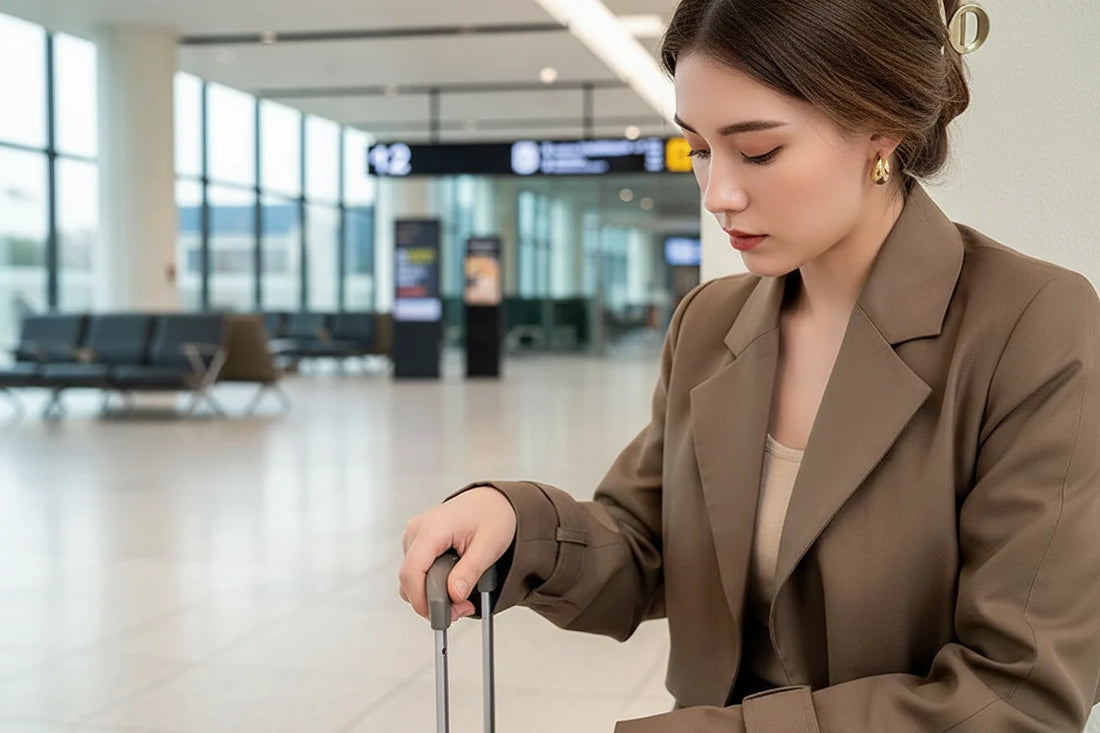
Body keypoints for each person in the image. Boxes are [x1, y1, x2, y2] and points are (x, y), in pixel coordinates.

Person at [399, 0, 1100, 729]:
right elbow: (643, 543)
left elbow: (1019, 692)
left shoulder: (1031, 324)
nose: (718, 195)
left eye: (758, 150)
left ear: (881, 130)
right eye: (699, 149)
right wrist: (518, 521)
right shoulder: (710, 322)